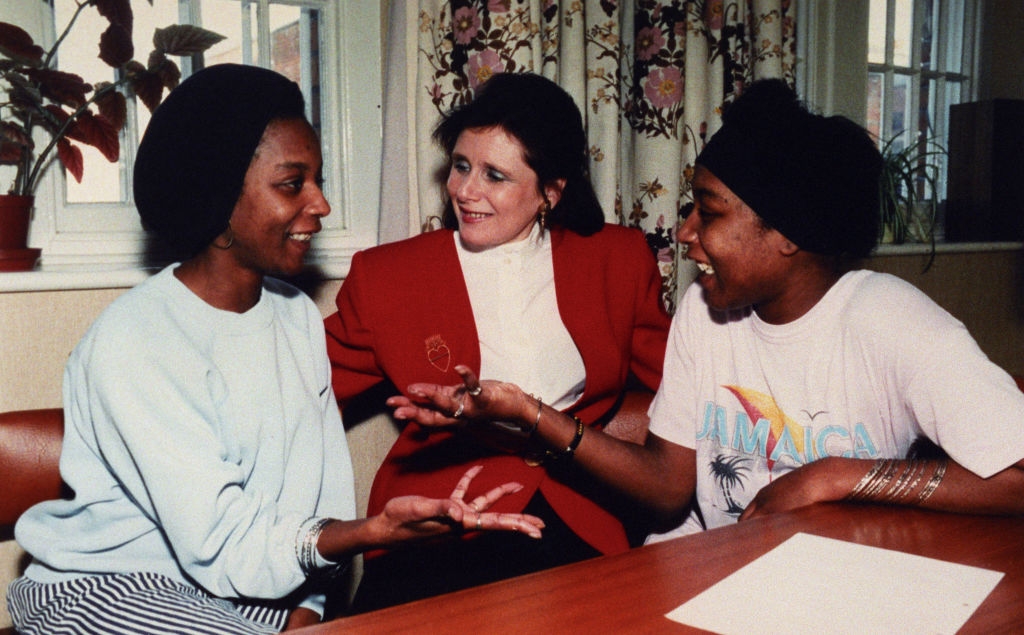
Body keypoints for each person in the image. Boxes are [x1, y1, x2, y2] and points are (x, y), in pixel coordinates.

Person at [5, 64, 543, 635]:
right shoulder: (134, 342)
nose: (321, 204)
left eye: (318, 179)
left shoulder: (296, 319)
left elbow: (316, 496)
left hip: (245, 584)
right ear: (218, 199)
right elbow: (220, 542)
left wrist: (312, 605)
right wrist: (369, 531)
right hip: (108, 587)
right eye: (292, 184)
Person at [388, 78, 1024, 548]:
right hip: (705, 569)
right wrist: (531, 413)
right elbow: (668, 486)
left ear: (788, 232)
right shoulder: (704, 310)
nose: (684, 233)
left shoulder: (891, 320)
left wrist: (833, 476)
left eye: (709, 212)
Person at [323, 72, 670, 610]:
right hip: (444, 519)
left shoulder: (618, 260)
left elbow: (683, 393)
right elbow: (299, 390)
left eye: (495, 175)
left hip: (575, 512)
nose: (465, 190)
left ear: (551, 192)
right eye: (461, 166)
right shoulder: (387, 276)